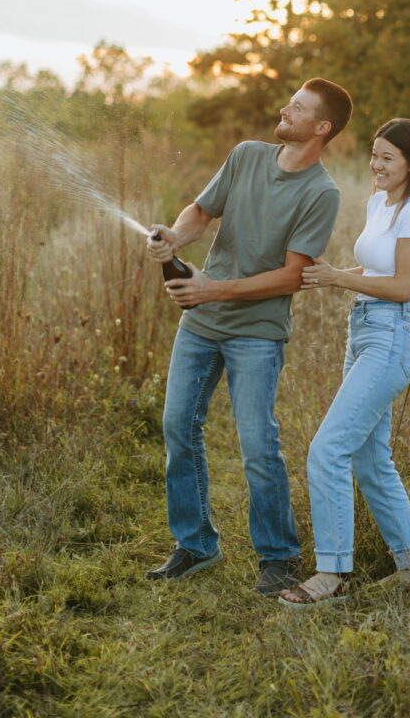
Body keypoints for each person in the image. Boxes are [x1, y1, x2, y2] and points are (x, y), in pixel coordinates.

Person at [145, 78, 352, 595]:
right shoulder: (246, 156)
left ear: (321, 128)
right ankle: (195, 545)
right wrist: (175, 236)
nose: (284, 109)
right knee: (178, 428)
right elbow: (200, 211)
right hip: (201, 325)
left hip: (256, 334)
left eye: (298, 107)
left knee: (258, 443)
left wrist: (214, 291)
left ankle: (279, 556)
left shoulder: (321, 193)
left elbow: (291, 277)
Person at [279, 117, 410, 607]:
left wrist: (338, 279)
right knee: (372, 458)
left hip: (389, 338)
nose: (376, 164)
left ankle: (330, 576)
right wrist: (324, 275)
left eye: (387, 157)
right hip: (362, 332)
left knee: (327, 449)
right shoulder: (379, 202)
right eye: (374, 154)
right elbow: (375, 268)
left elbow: (401, 286)